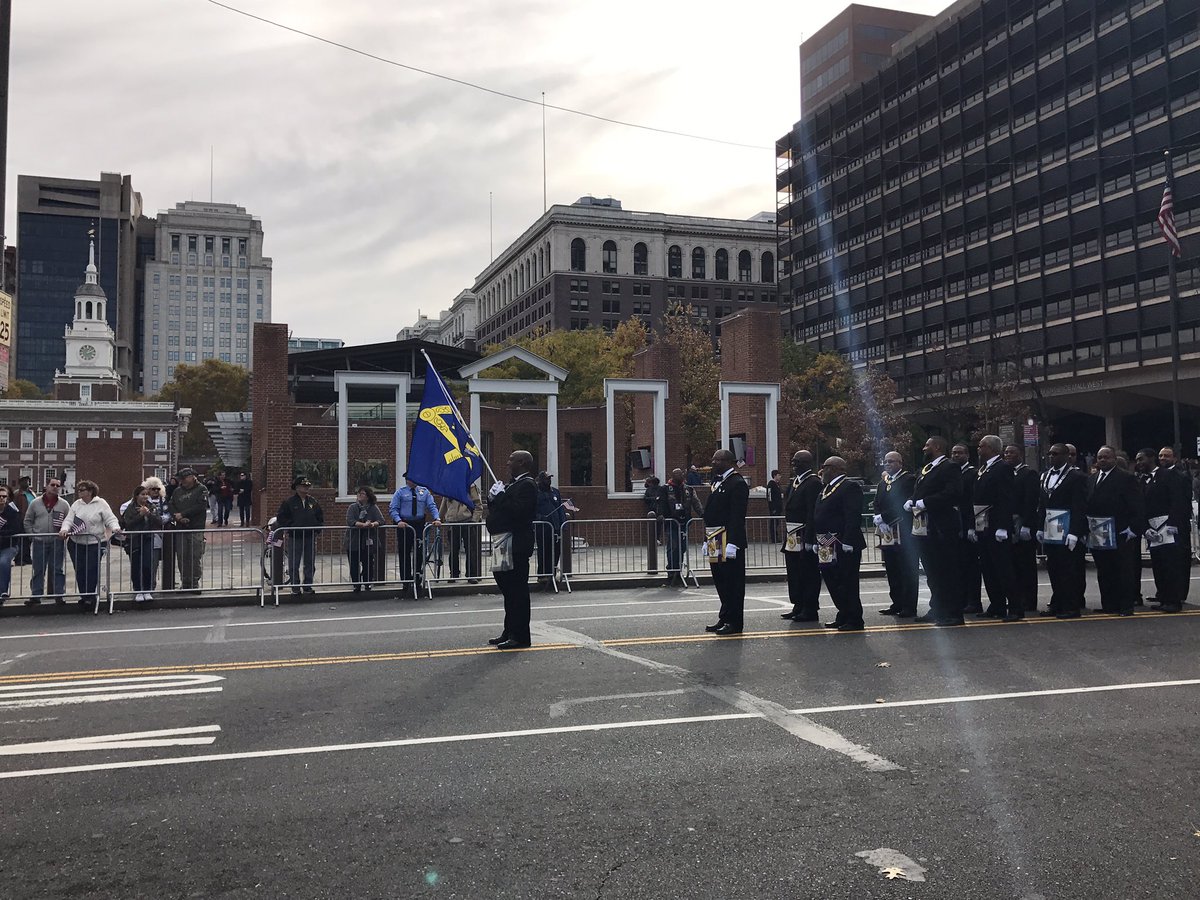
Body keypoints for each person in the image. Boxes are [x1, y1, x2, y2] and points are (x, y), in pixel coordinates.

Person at [485, 450, 539, 649]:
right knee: (507, 590)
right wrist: (492, 499)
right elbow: (501, 510)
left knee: (517, 591)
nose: (507, 463)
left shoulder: (528, 485)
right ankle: (509, 631)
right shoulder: (513, 485)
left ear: (522, 462)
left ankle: (521, 636)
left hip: (516, 544)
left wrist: (500, 498)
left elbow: (518, 511)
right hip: (503, 543)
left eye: (511, 460)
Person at [907, 435, 963, 626]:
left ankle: (954, 613)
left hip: (942, 527)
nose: (923, 448)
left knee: (947, 571)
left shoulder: (950, 466)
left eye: (927, 445)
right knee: (932, 572)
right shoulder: (928, 469)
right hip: (925, 527)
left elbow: (953, 493)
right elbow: (923, 489)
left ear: (937, 447)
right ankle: (937, 607)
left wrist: (926, 502)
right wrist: (913, 500)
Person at [1085, 446, 1145, 616]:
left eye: (1106, 457)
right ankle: (1109, 603)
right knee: (1104, 569)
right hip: (1098, 531)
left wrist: (1133, 528)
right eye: (1100, 457)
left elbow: (1137, 505)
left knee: (1122, 570)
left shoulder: (1126, 478)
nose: (1102, 460)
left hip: (1120, 530)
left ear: (1113, 459)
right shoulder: (1092, 478)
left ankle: (1125, 605)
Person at [809, 456, 866, 631]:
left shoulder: (849, 487)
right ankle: (843, 613)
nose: (821, 470)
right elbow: (818, 515)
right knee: (832, 580)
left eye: (824, 467)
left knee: (846, 581)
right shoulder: (826, 488)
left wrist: (848, 540)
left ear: (835, 468)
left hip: (842, 542)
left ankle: (854, 618)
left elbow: (852, 515)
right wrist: (815, 540)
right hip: (826, 542)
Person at [972, 435, 1021, 621]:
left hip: (996, 525)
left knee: (1003, 568)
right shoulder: (984, 468)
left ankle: (1015, 607)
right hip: (982, 523)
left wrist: (1003, 526)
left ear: (991, 448)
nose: (978, 449)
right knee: (988, 567)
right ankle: (997, 604)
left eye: (981, 446)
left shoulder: (1003, 468)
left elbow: (1005, 498)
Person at [1035, 443, 1088, 618]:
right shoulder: (1044, 476)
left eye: (1056, 454)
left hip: (1067, 527)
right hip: (1050, 527)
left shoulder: (1076, 477)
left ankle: (1071, 606)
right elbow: (1042, 505)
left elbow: (1079, 506)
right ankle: (1057, 602)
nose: (1052, 457)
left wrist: (1075, 532)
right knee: (1054, 568)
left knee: (1068, 569)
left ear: (1066, 456)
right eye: (1050, 454)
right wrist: (1039, 527)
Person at [702, 448, 749, 636]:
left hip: (729, 540)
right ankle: (725, 616)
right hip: (715, 539)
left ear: (728, 461)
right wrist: (706, 539)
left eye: (717, 460)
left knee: (733, 583)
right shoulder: (717, 481)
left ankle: (735, 621)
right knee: (721, 582)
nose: (713, 463)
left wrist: (734, 542)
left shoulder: (737, 483)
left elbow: (737, 516)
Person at [58, 479, 121, 610]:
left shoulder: (101, 503)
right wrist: (64, 529)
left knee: (91, 569)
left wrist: (115, 528)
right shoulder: (76, 504)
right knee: (80, 569)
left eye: (82, 490)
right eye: (78, 490)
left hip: (95, 542)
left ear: (90, 491)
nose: (79, 492)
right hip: (77, 543)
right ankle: (84, 595)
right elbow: (69, 520)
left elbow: (110, 518)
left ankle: (91, 596)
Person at [1143, 446, 1192, 613]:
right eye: (1161, 455)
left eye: (1166, 455)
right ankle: (1164, 596)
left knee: (1171, 564)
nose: (1163, 458)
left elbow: (1178, 500)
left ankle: (1174, 599)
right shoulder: (1149, 477)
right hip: (1155, 526)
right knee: (1159, 564)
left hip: (1169, 526)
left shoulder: (1175, 475)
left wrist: (1174, 522)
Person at [779, 450, 822, 622]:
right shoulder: (795, 482)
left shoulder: (812, 483)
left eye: (798, 462)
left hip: (804, 533)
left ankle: (810, 608)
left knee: (808, 572)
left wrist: (810, 539)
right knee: (794, 572)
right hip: (792, 534)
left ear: (807, 463)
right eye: (793, 461)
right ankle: (798, 604)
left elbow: (813, 512)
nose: (794, 465)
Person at [875, 451, 918, 618]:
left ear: (900, 463)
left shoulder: (908, 480)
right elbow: (877, 502)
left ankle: (908, 606)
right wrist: (879, 518)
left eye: (891, 461)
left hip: (904, 531)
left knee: (906, 570)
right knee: (892, 569)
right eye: (885, 461)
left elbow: (901, 503)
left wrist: (885, 517)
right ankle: (897, 602)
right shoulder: (883, 483)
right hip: (887, 533)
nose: (887, 464)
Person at [389, 474, 441, 592]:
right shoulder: (400, 492)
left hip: (418, 524)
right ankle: (406, 581)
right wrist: (398, 521)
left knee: (419, 553)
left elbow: (431, 506)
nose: (413, 481)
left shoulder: (424, 492)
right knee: (404, 553)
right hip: (405, 525)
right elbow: (393, 508)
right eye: (411, 479)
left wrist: (437, 518)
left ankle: (418, 579)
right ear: (407, 480)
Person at [23, 476, 69, 606]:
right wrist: (32, 536)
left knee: (57, 569)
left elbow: (69, 520)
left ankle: (59, 595)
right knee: (38, 569)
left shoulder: (64, 504)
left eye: (57, 486)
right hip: (39, 541)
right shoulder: (35, 503)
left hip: (57, 541)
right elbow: (28, 521)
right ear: (46, 486)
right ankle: (36, 595)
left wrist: (65, 532)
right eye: (52, 485)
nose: (55, 487)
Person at [1005, 445, 1041, 613]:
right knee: (1012, 563)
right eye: (1006, 453)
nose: (1008, 455)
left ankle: (1029, 600)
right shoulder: (1007, 473)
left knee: (1025, 564)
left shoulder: (1028, 473)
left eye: (1012, 452)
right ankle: (1017, 598)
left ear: (1020, 454)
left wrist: (1027, 524)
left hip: (1023, 522)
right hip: (1010, 522)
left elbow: (1031, 500)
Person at [276, 476, 324, 594]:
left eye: (307, 486)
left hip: (310, 536)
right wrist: (291, 527)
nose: (306, 488)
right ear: (297, 488)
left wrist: (317, 529)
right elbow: (281, 518)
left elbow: (320, 516)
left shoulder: (313, 501)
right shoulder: (289, 502)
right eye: (304, 486)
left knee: (310, 562)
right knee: (294, 563)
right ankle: (295, 587)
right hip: (295, 537)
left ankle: (308, 585)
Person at [167, 467, 209, 593]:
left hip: (196, 527)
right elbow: (171, 504)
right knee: (182, 556)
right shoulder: (177, 491)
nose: (182, 481)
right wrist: (177, 516)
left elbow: (201, 506)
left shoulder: (202, 489)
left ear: (192, 477)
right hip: (181, 528)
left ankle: (194, 582)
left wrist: (184, 514)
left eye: (185, 478)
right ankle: (185, 582)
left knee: (194, 556)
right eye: (181, 478)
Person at [952, 443, 982, 615]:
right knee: (958, 566)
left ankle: (974, 601)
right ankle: (962, 599)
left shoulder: (972, 473)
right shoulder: (952, 473)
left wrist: (971, 526)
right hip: (955, 525)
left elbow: (972, 501)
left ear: (967, 455)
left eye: (960, 453)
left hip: (967, 524)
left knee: (971, 566)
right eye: (954, 453)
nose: (956, 456)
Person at [121, 484, 163, 605]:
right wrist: (140, 515)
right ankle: (138, 590)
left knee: (147, 565)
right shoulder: (130, 508)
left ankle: (147, 589)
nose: (145, 497)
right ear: (136, 496)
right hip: (134, 540)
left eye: (146, 494)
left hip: (148, 539)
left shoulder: (151, 507)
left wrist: (149, 514)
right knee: (136, 565)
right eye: (142, 494)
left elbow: (159, 521)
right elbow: (128, 523)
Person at [661, 468, 703, 587]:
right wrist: (661, 515)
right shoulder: (665, 489)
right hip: (672, 523)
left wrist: (703, 514)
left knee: (682, 548)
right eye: (677, 474)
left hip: (684, 523)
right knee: (673, 547)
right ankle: (672, 572)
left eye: (681, 474)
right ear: (672, 476)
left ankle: (679, 570)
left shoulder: (688, 489)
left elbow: (696, 503)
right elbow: (661, 504)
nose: (680, 476)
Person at [439, 481, 483, 584]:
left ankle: (471, 575)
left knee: (470, 550)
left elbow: (478, 505)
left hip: (467, 521)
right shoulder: (449, 485)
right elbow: (444, 504)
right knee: (453, 550)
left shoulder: (470, 486)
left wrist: (474, 520)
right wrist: (439, 518)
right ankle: (453, 574)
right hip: (452, 522)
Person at [345, 486, 384, 592]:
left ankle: (367, 582)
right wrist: (363, 525)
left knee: (368, 562)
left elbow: (381, 520)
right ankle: (356, 584)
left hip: (368, 539)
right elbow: (350, 521)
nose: (359, 495)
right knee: (354, 563)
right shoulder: (353, 507)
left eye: (362, 494)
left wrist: (372, 524)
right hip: (354, 540)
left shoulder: (373, 507)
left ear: (368, 496)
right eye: (358, 493)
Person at [534, 472, 565, 587]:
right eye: (547, 479)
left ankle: (552, 573)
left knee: (556, 551)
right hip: (543, 528)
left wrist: (563, 524)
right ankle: (542, 575)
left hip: (555, 527)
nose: (549, 481)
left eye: (550, 478)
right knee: (544, 551)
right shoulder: (536, 493)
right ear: (541, 480)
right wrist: (540, 518)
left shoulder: (555, 492)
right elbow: (533, 510)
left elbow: (560, 509)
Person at [0, 486, 22, 603]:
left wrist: (2, 534)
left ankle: (3, 592)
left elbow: (15, 529)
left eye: (4, 496)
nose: (2, 499)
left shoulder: (12, 512)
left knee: (3, 562)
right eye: (0, 496)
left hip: (9, 546)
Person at [643, 476, 665, 544]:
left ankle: (654, 539)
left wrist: (653, 499)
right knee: (658, 525)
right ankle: (657, 539)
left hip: (652, 509)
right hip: (658, 510)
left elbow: (645, 499)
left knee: (652, 525)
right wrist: (655, 499)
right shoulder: (661, 489)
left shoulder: (649, 490)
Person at [766, 469, 784, 544]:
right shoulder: (771, 484)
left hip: (778, 508)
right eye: (779, 475)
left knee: (776, 523)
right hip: (774, 508)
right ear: (775, 476)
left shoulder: (777, 485)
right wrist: (772, 507)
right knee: (773, 523)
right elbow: (769, 496)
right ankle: (774, 538)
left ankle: (776, 537)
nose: (780, 477)